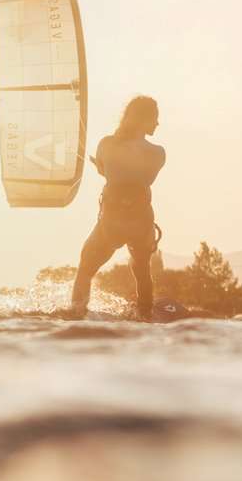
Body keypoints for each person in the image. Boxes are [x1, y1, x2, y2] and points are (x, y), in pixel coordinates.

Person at [67, 96, 165, 321]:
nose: (157, 123)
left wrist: (102, 168)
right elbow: (143, 179)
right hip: (141, 222)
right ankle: (145, 317)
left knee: (85, 269)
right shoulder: (159, 153)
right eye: (155, 118)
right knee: (142, 272)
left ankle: (77, 314)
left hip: (112, 221)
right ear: (143, 119)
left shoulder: (107, 144)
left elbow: (109, 172)